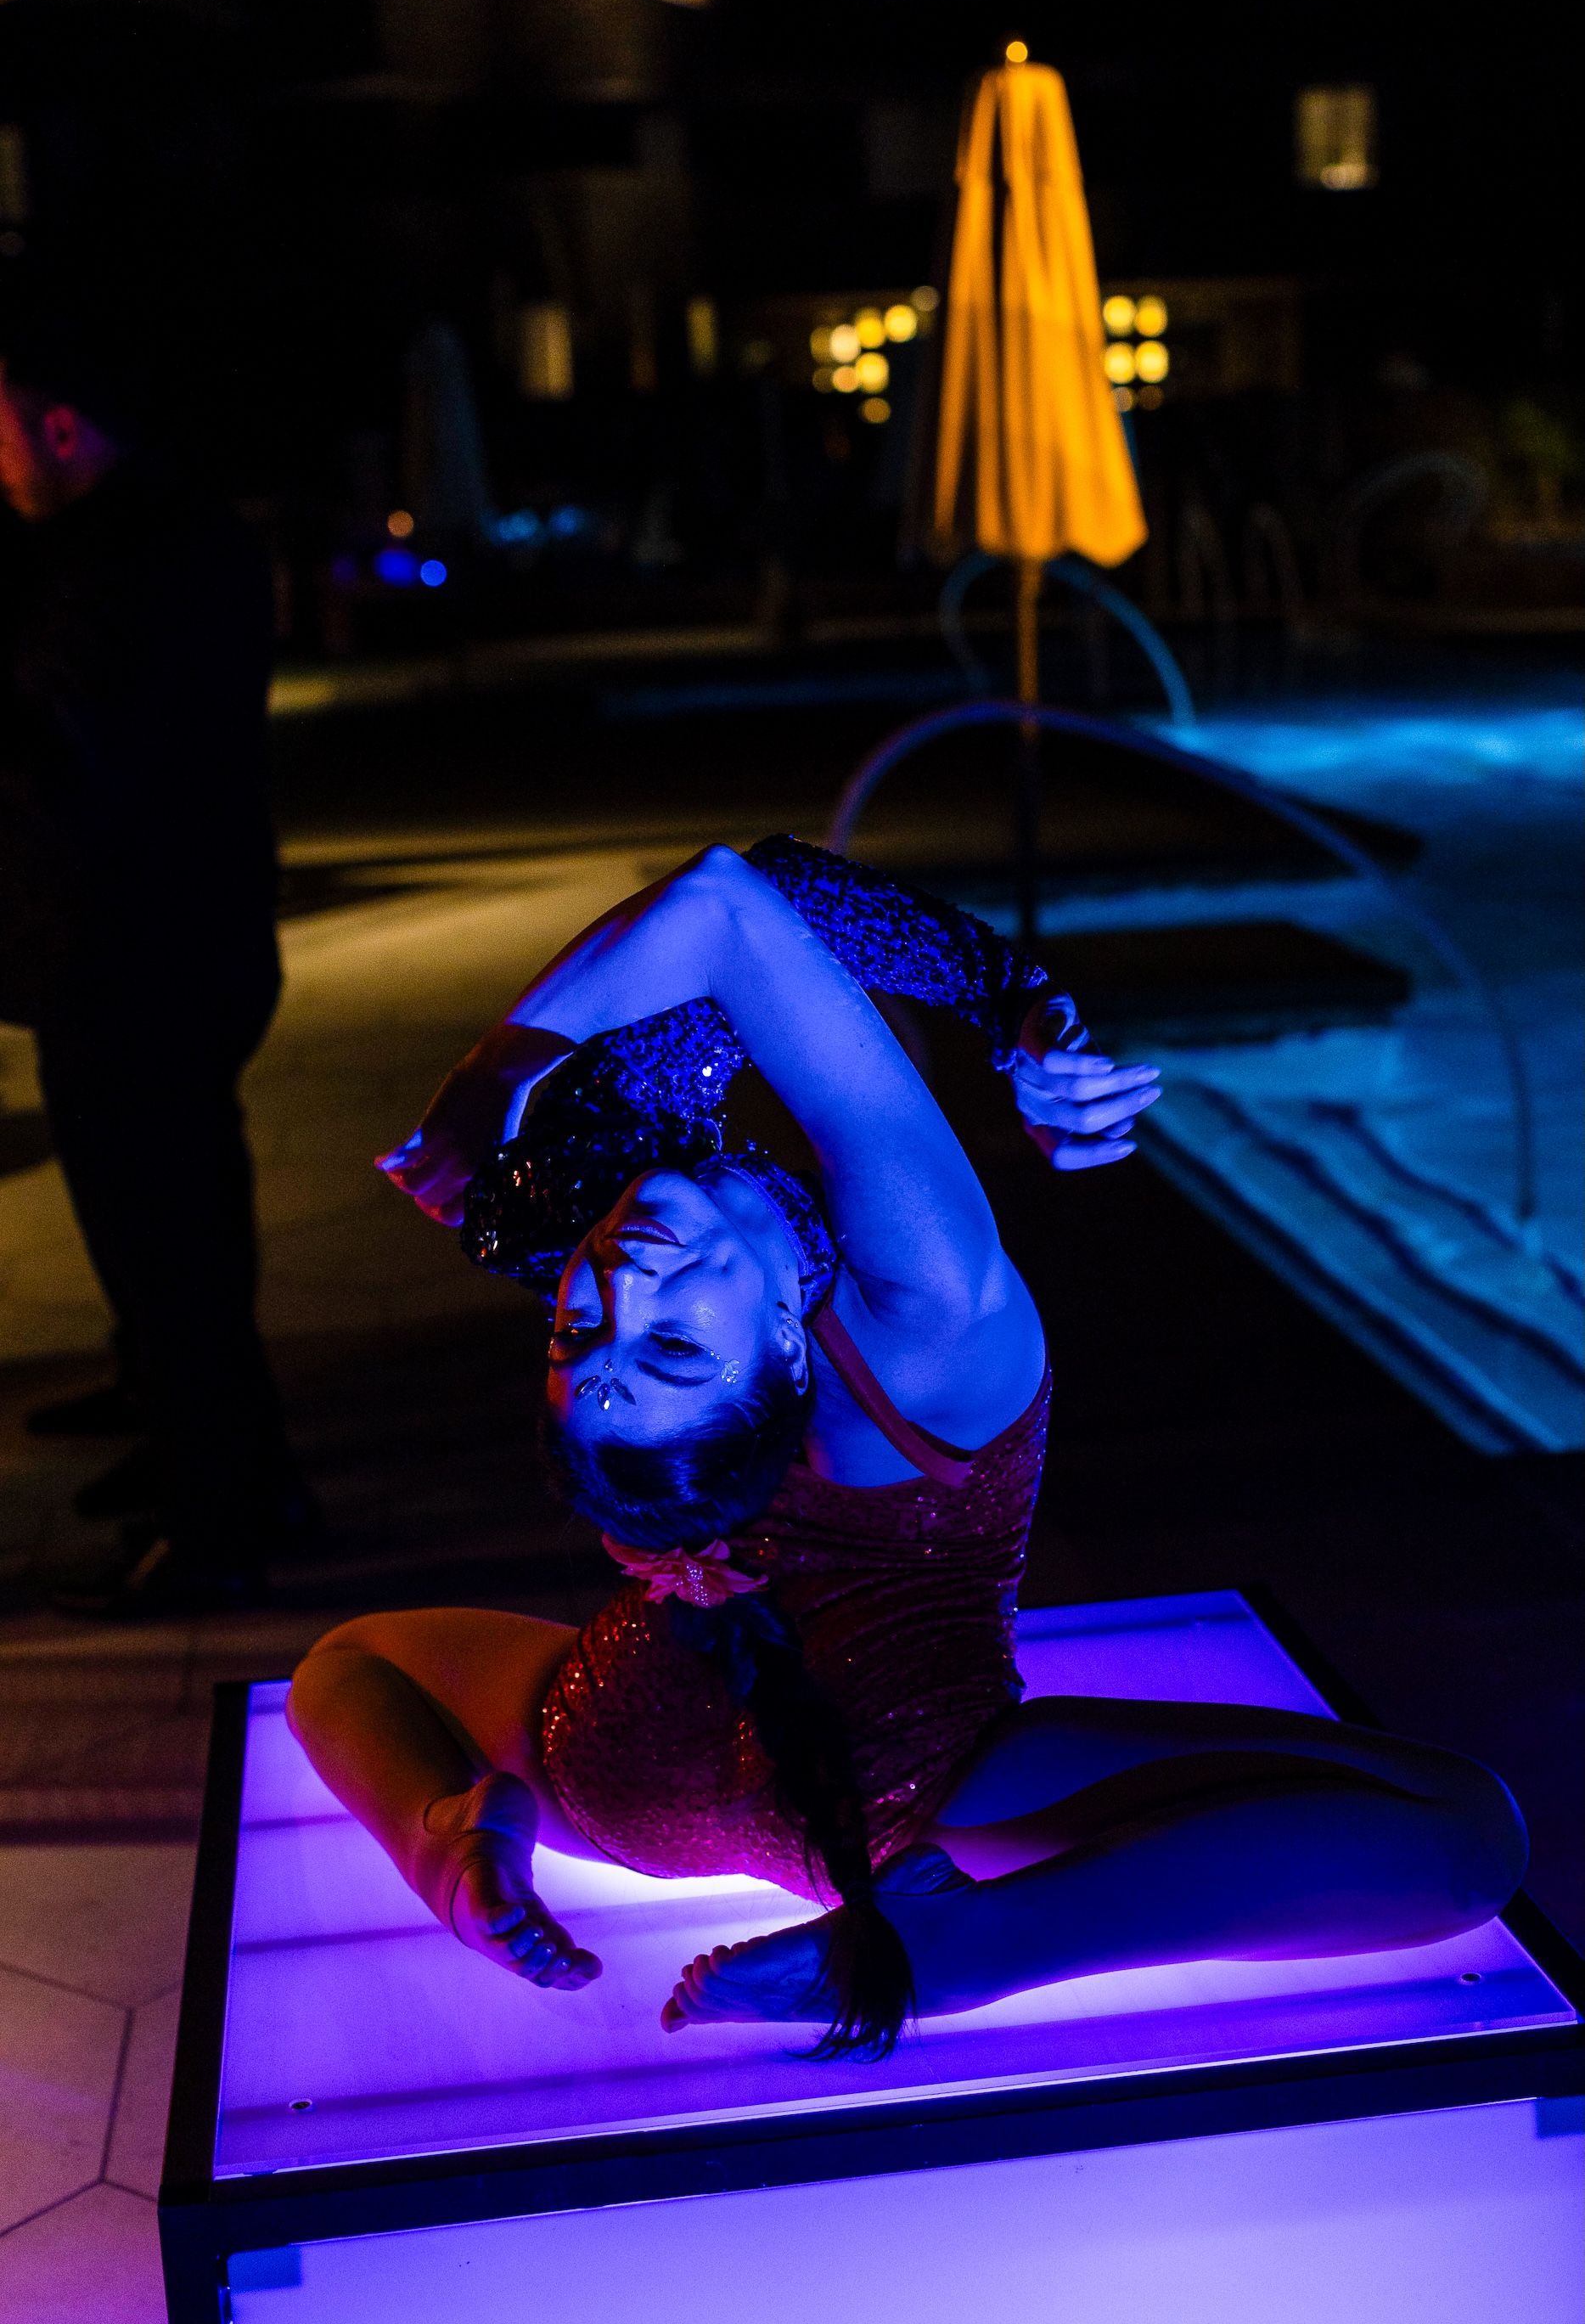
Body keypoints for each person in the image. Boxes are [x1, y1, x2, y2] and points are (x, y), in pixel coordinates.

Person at [288, 840, 1526, 2055]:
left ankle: (454, 1840)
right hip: (901, 1786)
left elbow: (351, 1670)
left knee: (349, 1663)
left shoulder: (580, 1216)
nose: (622, 1283)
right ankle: (963, 1951)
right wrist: (500, 1061)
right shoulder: (918, 1314)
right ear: (784, 1357)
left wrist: (440, 1817)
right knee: (1469, 1834)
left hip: (623, 1763)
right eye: (669, 1348)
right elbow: (727, 905)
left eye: (581, 1330)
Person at [0, 316, 312, 1615]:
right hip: (146, 946)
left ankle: (219, 1508)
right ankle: (199, 1448)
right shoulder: (132, 539)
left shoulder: (138, 552)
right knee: (162, 1225)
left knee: (167, 1225)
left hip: (144, 954)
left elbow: (81, 744)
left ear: (62, 422)